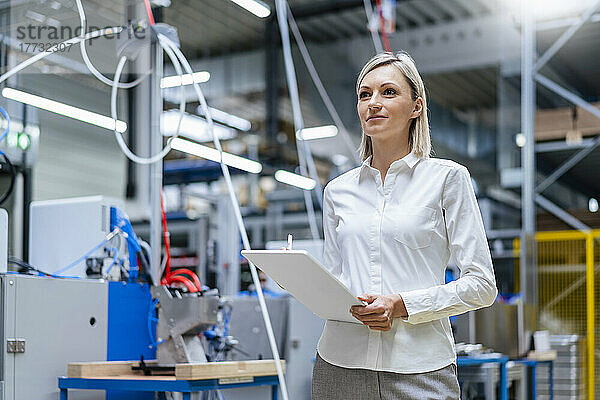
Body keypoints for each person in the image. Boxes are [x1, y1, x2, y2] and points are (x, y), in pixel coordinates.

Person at [311, 51, 498, 400]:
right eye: (365, 95)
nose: (373, 103)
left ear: (417, 106)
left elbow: (482, 285)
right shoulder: (338, 190)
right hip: (338, 365)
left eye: (388, 92)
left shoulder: (448, 179)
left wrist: (403, 305)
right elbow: (336, 279)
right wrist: (302, 281)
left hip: (421, 369)